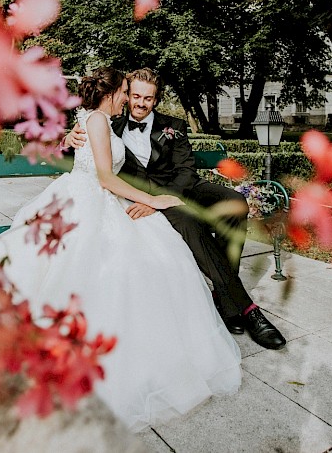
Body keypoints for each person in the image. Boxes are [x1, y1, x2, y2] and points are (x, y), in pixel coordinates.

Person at [0, 67, 242, 432]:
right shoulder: (100, 120)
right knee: (106, 269)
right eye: (124, 92)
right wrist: (155, 199)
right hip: (91, 199)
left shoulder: (94, 118)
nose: (128, 98)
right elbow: (105, 177)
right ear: (114, 92)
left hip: (95, 197)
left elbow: (92, 155)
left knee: (151, 260)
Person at [64, 68, 286, 351]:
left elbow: (185, 172)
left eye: (148, 98)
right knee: (188, 221)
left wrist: (158, 199)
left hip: (182, 189)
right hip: (147, 199)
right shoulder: (111, 122)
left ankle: (224, 294)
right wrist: (69, 138)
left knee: (235, 203)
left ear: (156, 100)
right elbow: (86, 154)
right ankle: (244, 308)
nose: (141, 103)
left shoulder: (174, 125)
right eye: (135, 96)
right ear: (127, 95)